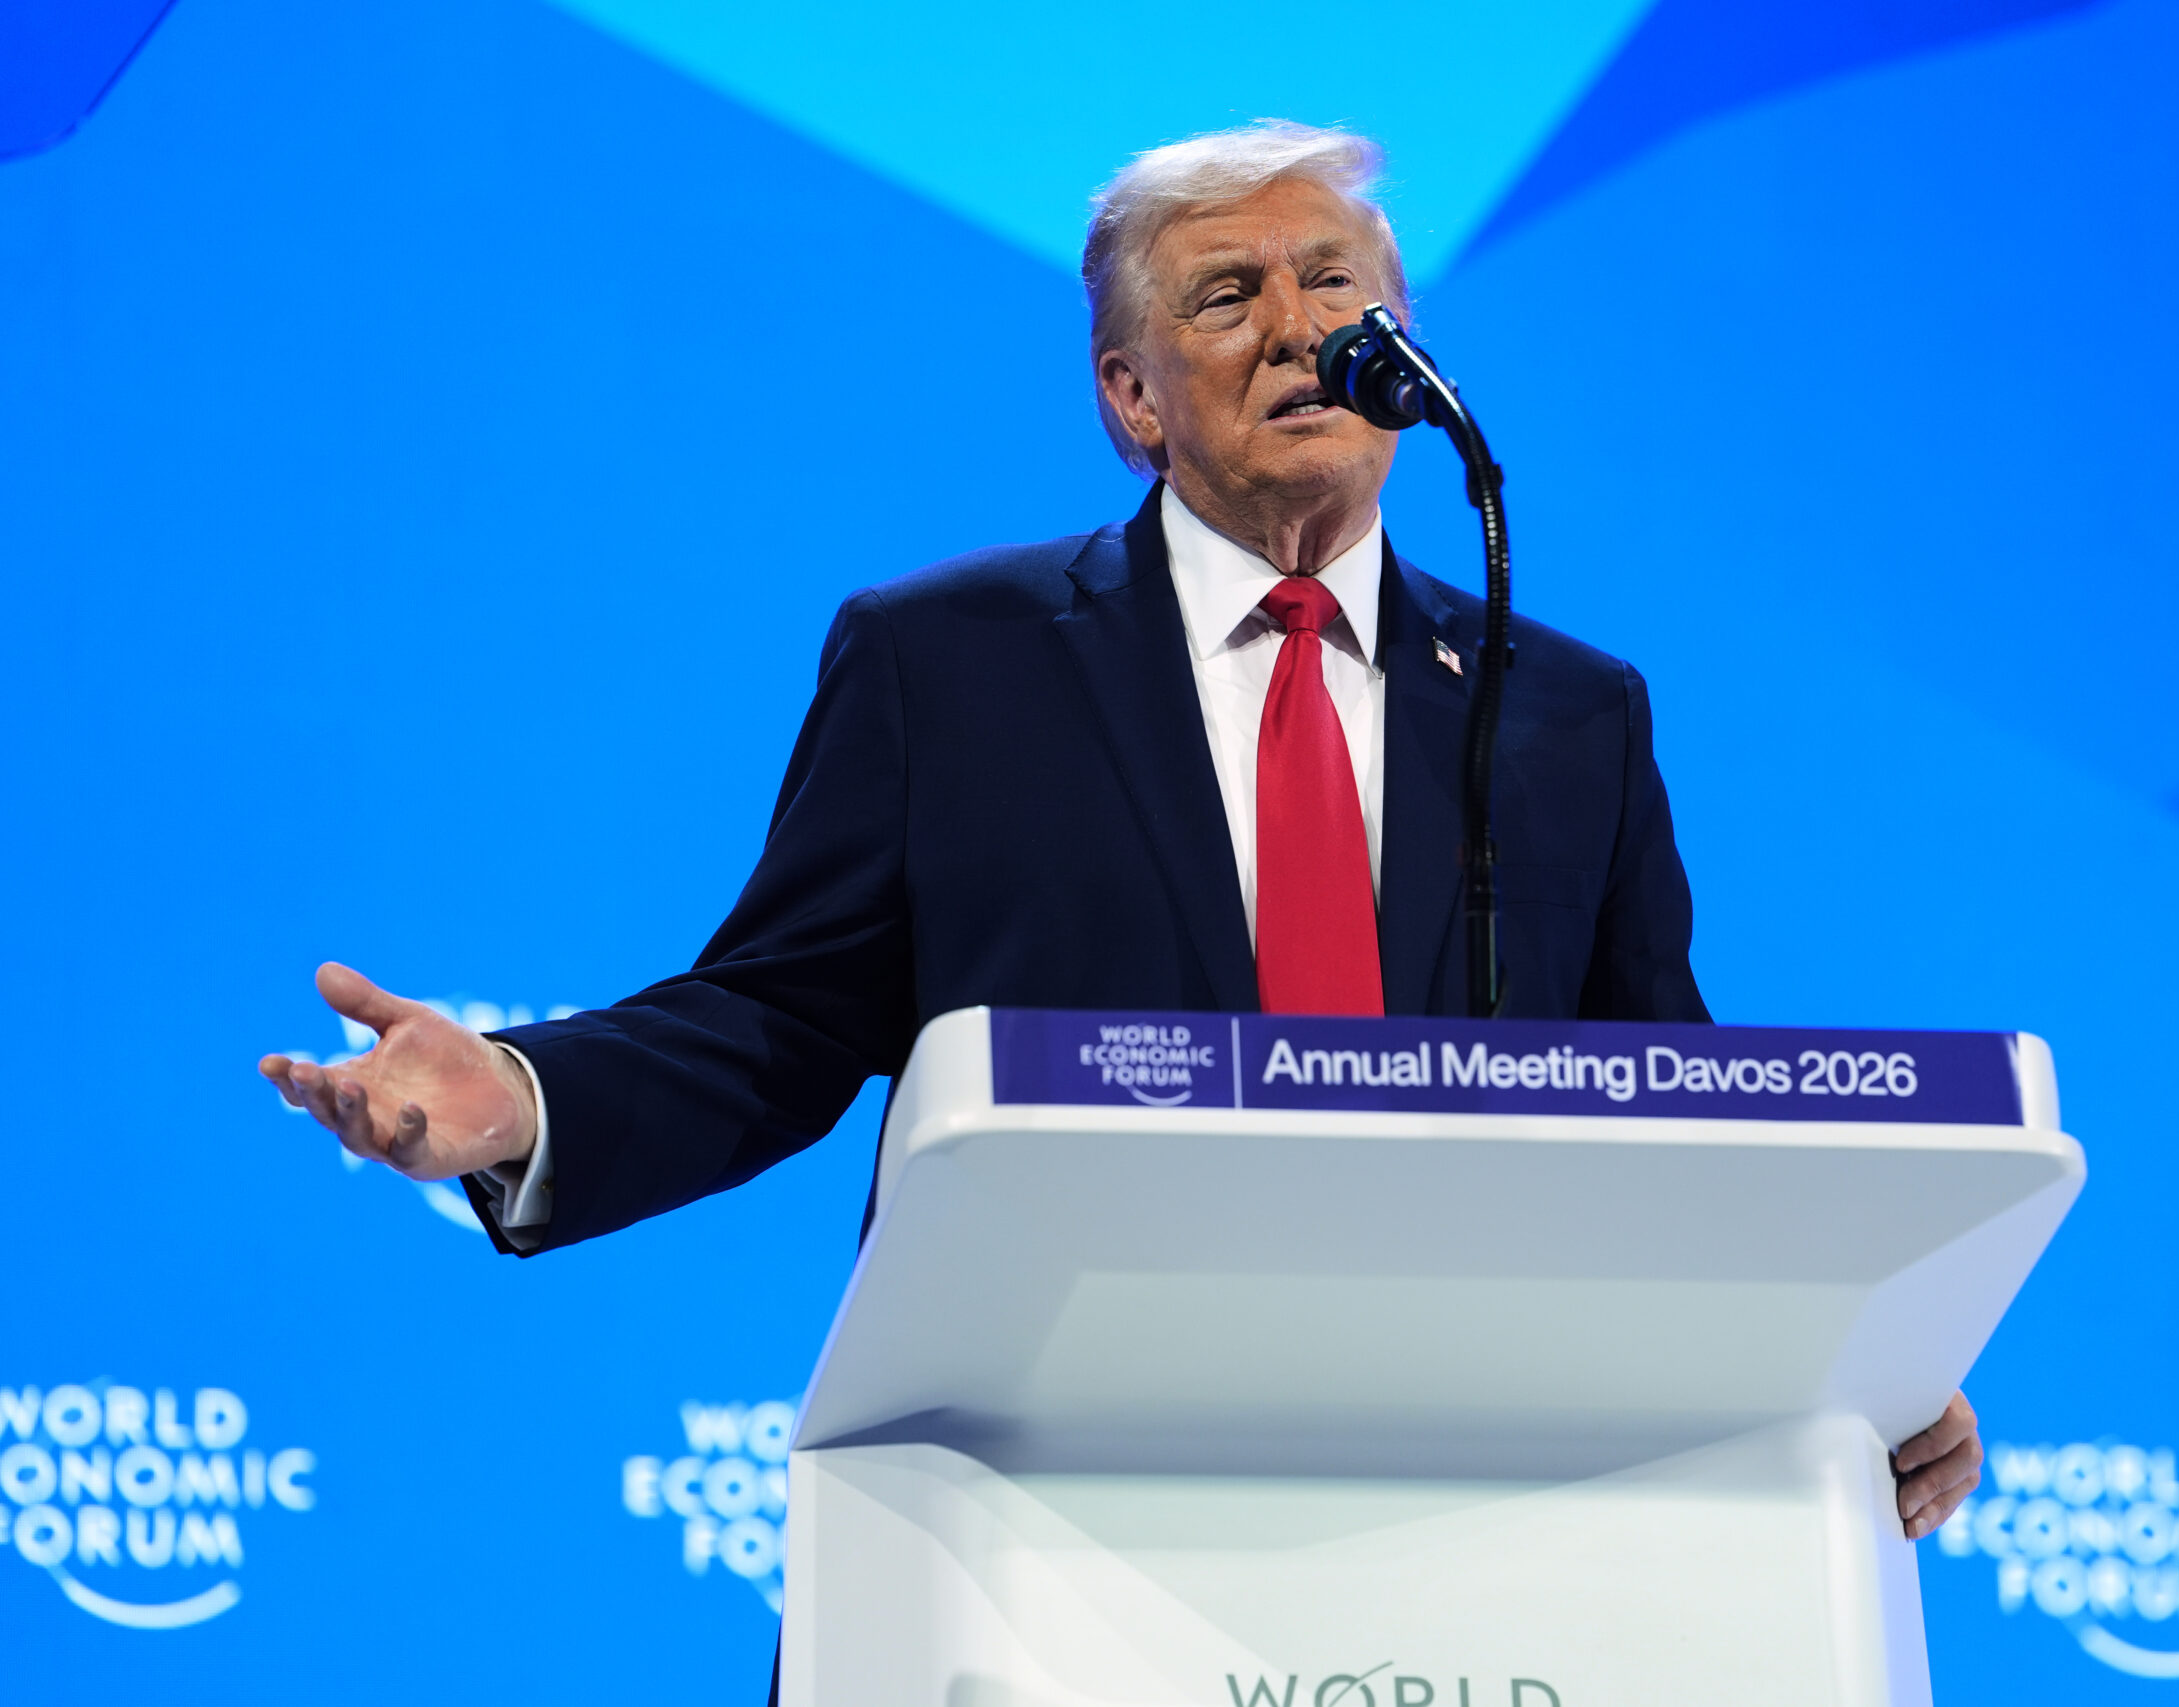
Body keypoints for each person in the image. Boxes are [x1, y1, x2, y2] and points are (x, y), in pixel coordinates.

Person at [256, 120, 1981, 1541]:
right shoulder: (950, 662)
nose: (1301, 329)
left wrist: (1841, 1371)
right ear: (1133, 398)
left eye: (1338, 287)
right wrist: (527, 1098)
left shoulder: (1564, 710)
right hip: (1043, 1503)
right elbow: (782, 1016)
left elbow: (1661, 1110)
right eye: (1230, 295)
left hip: (1460, 1510)